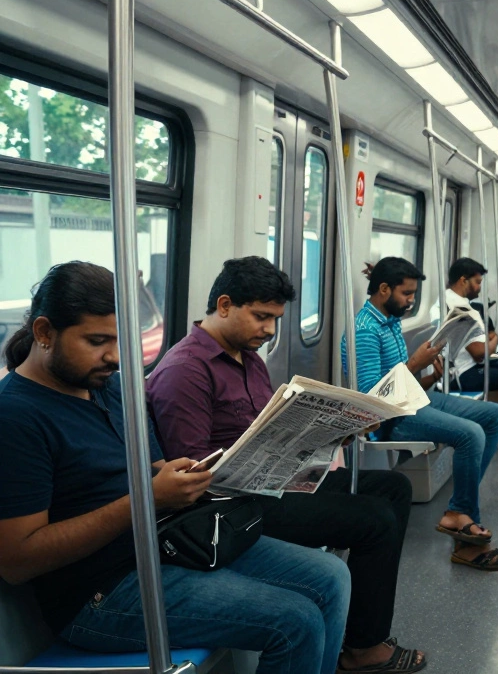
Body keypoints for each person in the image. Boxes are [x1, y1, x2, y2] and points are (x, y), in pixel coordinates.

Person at [0, 262, 351, 674]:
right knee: (296, 620)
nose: (114, 357)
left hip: (167, 544)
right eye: (97, 341)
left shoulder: (111, 387)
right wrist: (146, 500)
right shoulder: (17, 417)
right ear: (44, 333)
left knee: (331, 577)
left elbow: (157, 466)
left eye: (121, 341)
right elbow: (18, 559)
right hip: (101, 592)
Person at [146, 256, 426, 672]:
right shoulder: (186, 371)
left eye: (276, 319)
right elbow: (196, 475)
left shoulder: (250, 359)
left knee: (393, 488)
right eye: (261, 317)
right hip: (232, 505)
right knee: (375, 520)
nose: (270, 330)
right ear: (224, 305)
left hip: (272, 482)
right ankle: (364, 648)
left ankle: (365, 635)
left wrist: (330, 433)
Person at [344, 257, 498, 572]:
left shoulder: (390, 322)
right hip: (391, 420)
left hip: (416, 399)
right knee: (470, 434)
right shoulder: (364, 332)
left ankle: (460, 511)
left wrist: (430, 376)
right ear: (384, 289)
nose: (410, 302)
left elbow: (402, 383)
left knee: (495, 415)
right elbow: (371, 401)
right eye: (406, 295)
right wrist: (415, 364)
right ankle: (462, 515)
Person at [428, 257, 498, 452]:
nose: (479, 288)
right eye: (477, 282)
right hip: (463, 374)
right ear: (463, 280)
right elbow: (480, 353)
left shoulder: (450, 301)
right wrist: (494, 338)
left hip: (467, 364)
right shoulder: (458, 309)